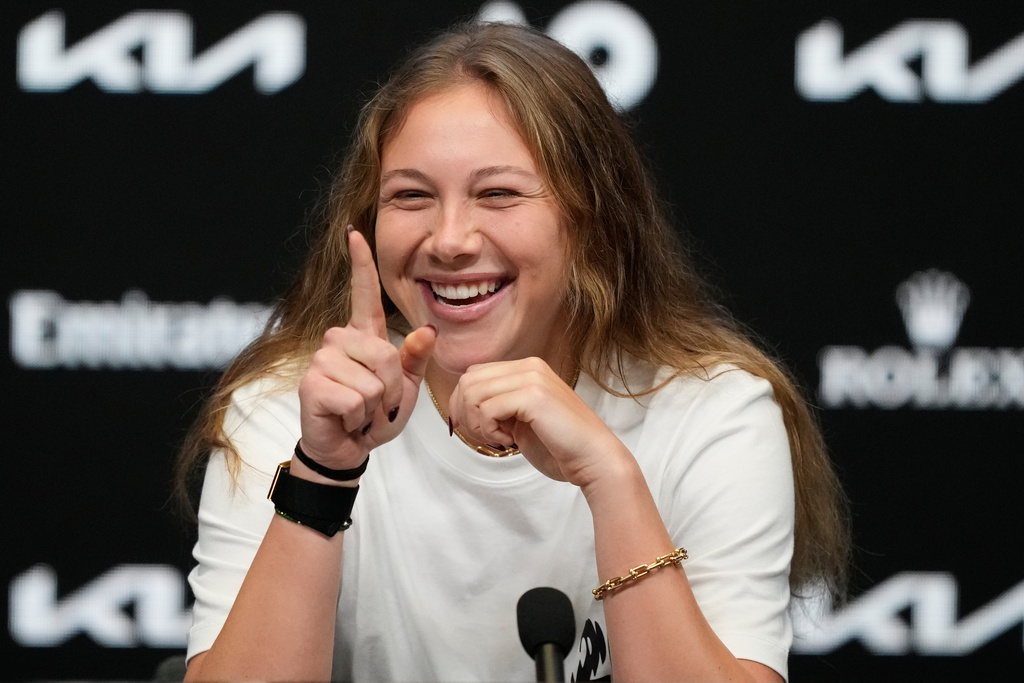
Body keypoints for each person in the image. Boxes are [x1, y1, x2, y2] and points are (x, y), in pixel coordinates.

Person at [176, 20, 848, 683]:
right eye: (411, 196)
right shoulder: (289, 410)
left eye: (497, 194)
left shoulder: (715, 411)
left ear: (590, 217)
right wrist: (322, 472)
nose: (450, 239)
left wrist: (611, 480)